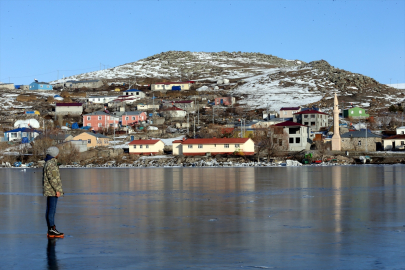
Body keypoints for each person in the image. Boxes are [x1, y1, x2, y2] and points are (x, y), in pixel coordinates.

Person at [43, 146, 64, 238]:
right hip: (52, 191)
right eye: (57, 153)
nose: (58, 154)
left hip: (50, 190)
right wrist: (57, 190)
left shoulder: (48, 163)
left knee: (50, 209)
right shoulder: (51, 164)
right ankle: (51, 229)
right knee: (51, 210)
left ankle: (51, 228)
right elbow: (53, 179)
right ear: (54, 154)